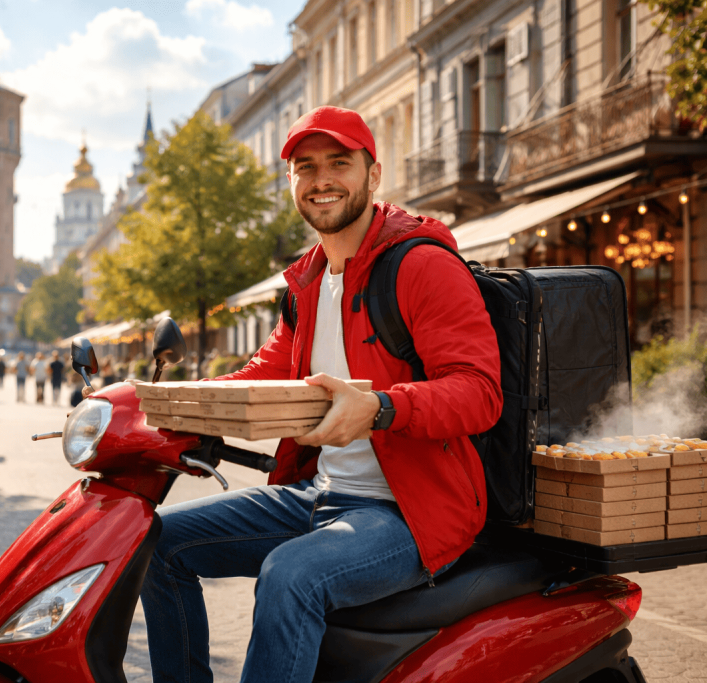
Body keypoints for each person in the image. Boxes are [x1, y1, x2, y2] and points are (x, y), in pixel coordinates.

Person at [138, 106, 503, 683]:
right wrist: (159, 402)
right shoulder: (307, 281)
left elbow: (480, 393)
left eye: (339, 162)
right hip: (320, 495)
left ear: (373, 174)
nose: (321, 180)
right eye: (305, 167)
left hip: (409, 512)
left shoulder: (421, 266)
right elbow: (261, 375)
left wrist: (383, 408)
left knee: (289, 574)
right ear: (291, 183)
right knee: (156, 540)